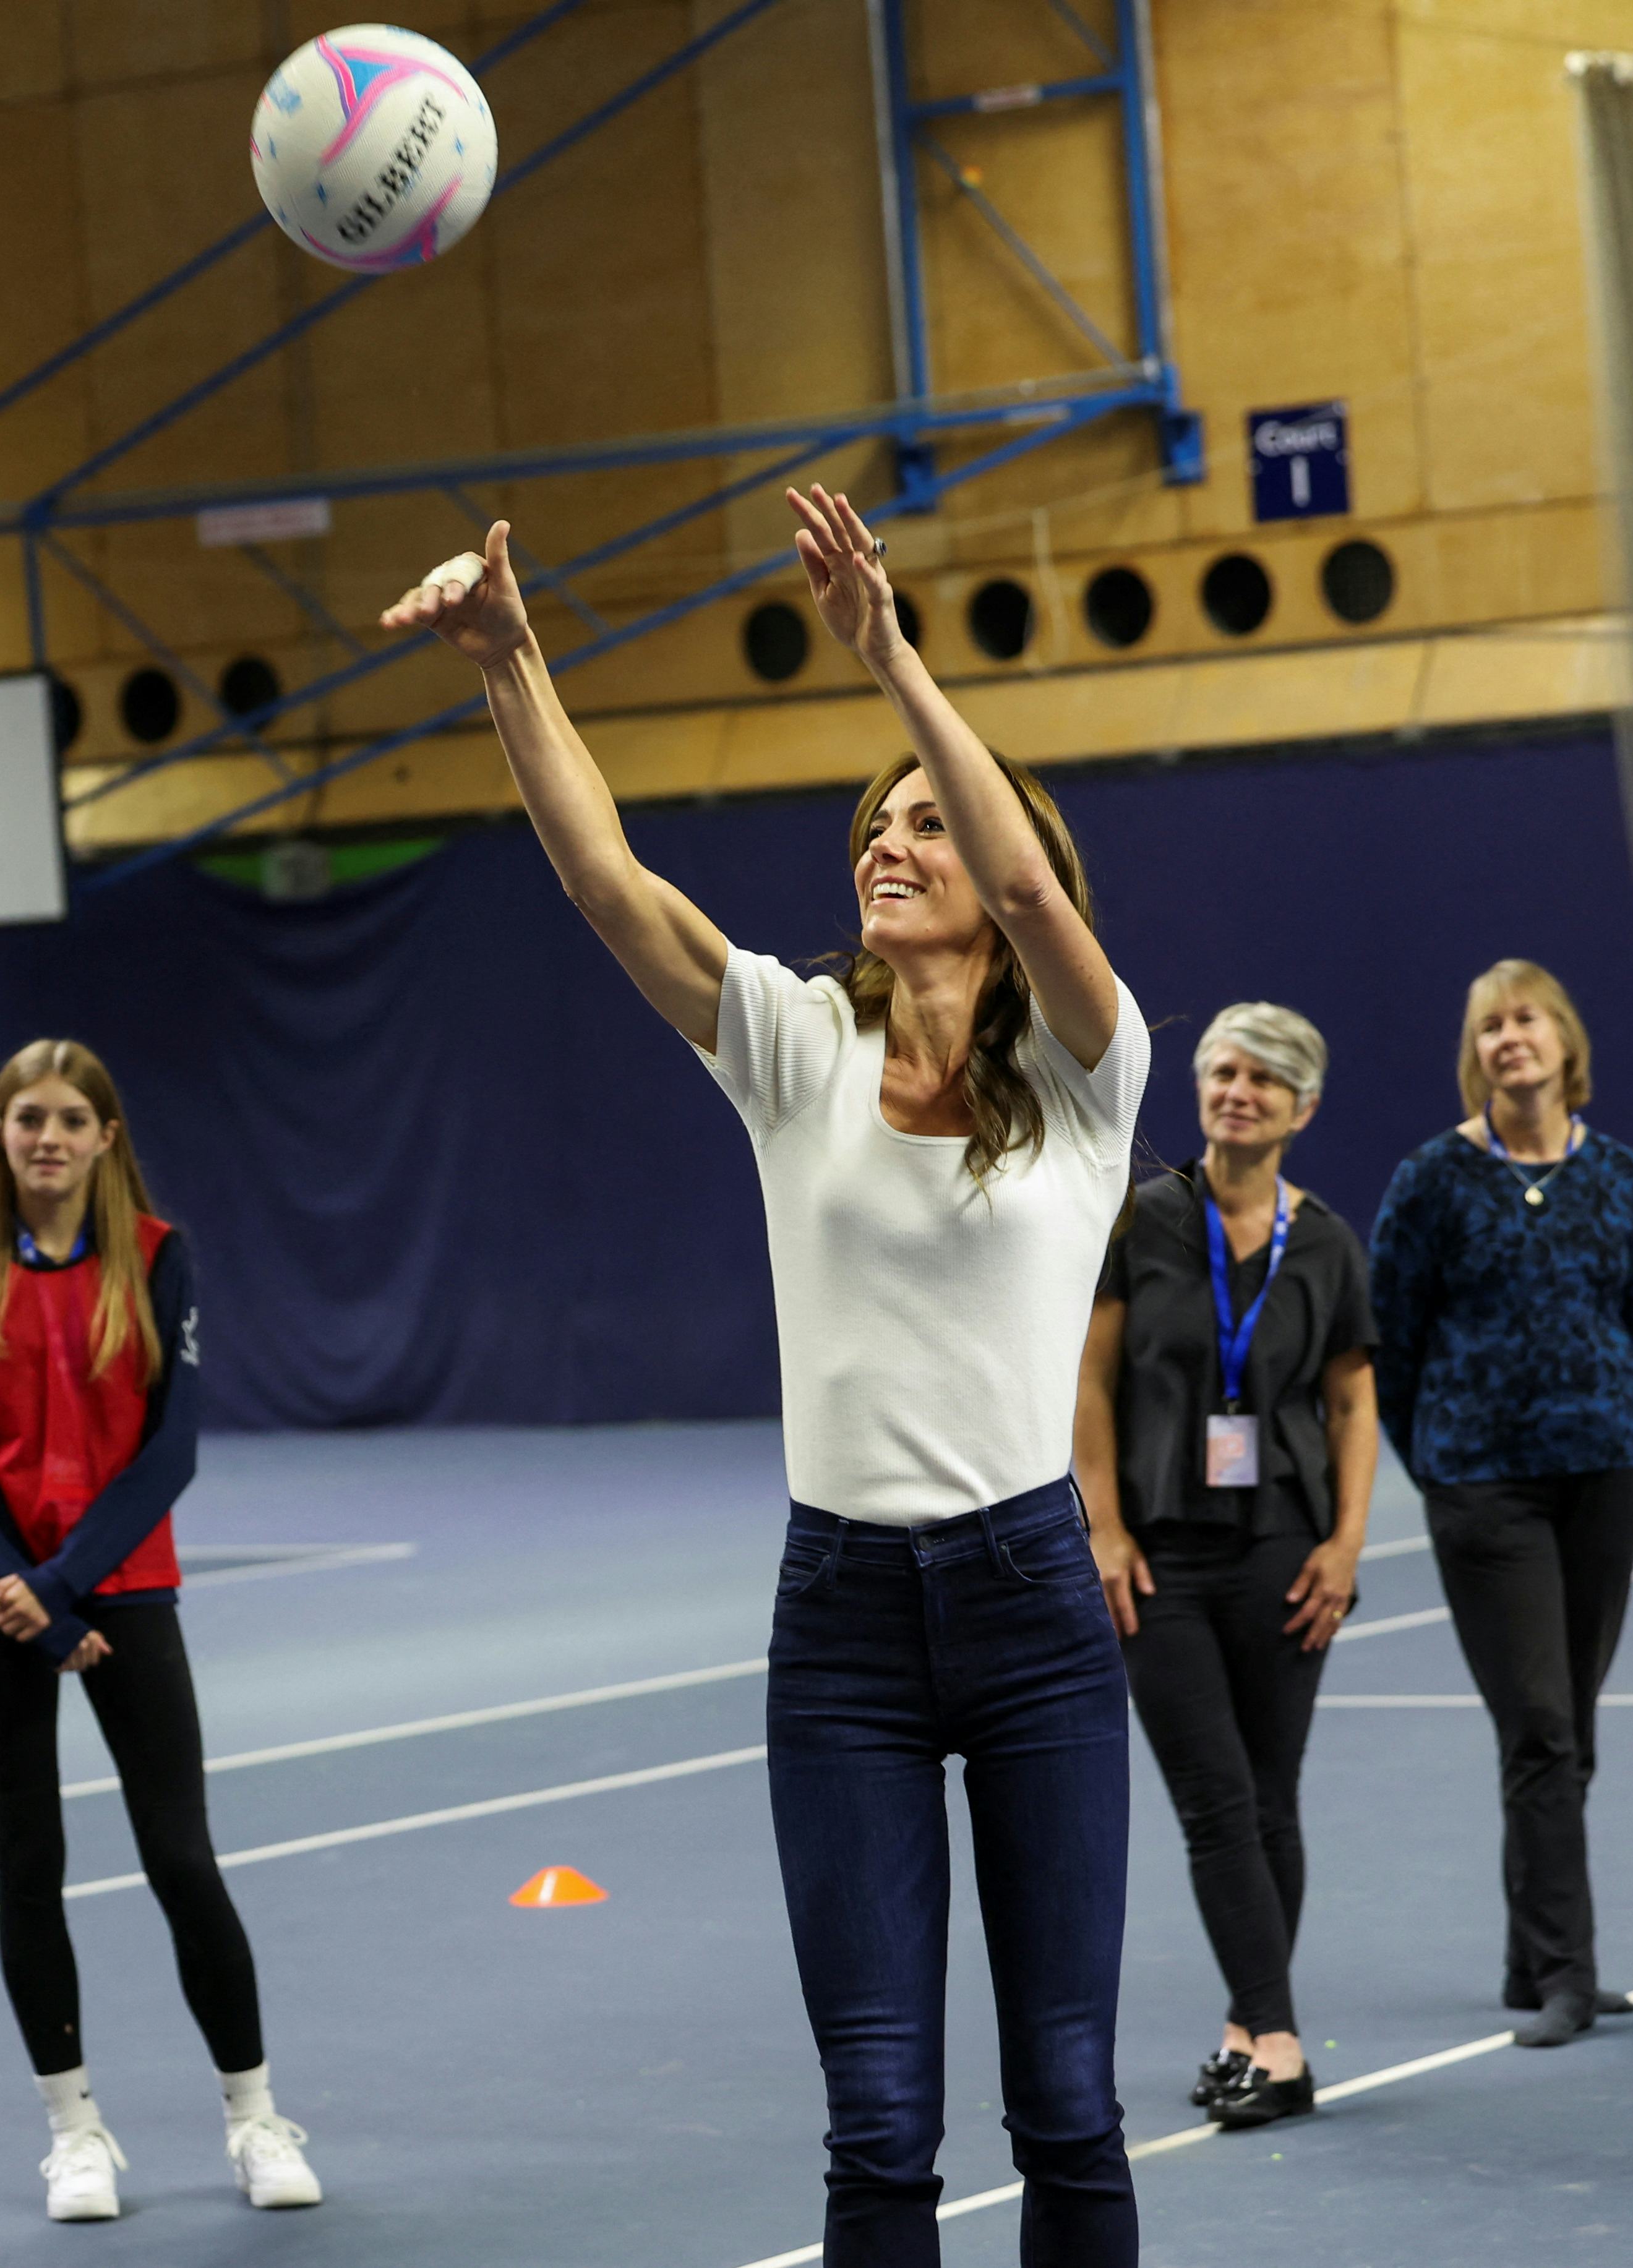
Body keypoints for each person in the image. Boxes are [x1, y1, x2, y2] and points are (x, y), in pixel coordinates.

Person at [389, 490, 1147, 2267]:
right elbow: (606, 883)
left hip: (1033, 1602)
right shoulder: (797, 1045)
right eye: (871, 826)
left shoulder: (1099, 1077)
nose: (888, 843)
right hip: (845, 1622)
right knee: (879, 2117)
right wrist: (512, 662)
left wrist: (886, 655)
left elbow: (1028, 874)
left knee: (1066, 2100)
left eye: (923, 824)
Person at [0, 1038, 320, 2225]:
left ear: (105, 1140)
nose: (46, 1137)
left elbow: (171, 1450)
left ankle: (255, 2118)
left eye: (69, 1120)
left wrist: (71, 1587)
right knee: (28, 1864)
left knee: (181, 1859)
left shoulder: (159, 1262)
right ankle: (75, 2132)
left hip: (120, 1594)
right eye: (25, 1117)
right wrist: (28, 1602)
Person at [1074, 1003, 1377, 2134]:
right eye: (1219, 1073)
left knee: (1271, 1797)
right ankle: (1280, 2039)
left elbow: (1352, 1401)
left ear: (1300, 1108)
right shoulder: (1139, 1224)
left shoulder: (1331, 1242)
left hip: (1285, 1551)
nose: (1235, 1091)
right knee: (1214, 1798)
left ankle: (1254, 2035)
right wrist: (1103, 1529)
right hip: (1160, 1558)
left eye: (1262, 1079)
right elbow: (1088, 1385)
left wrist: (1346, 1545)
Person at [1368, 959, 1633, 2051]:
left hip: (1605, 1470)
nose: (1508, 1038)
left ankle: (1524, 1957)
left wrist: (1604, 1409)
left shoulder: (1622, 1175)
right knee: (1537, 1721)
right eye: (1488, 1025)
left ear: (1565, 1042)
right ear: (1475, 1053)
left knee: (1567, 1727)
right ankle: (1571, 1976)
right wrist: (1439, 1458)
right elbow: (1388, 1335)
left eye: (1526, 1018)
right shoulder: (1434, 1180)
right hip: (1482, 1486)